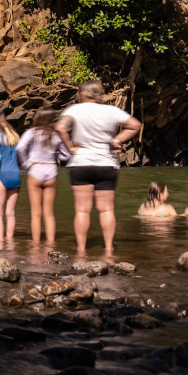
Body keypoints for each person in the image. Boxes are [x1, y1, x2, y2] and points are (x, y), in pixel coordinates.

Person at [54, 80, 141, 255]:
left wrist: (70, 147)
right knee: (107, 209)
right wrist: (116, 140)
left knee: (82, 210)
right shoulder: (111, 111)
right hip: (105, 163)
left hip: (81, 163)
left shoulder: (75, 110)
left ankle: (81, 250)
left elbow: (60, 128)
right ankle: (108, 249)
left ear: (83, 94)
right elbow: (135, 125)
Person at [17, 108, 69, 243]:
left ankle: (35, 244)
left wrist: (26, 163)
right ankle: (50, 244)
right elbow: (67, 155)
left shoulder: (31, 133)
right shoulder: (56, 135)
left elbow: (20, 148)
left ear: (38, 118)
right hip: (51, 170)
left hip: (35, 170)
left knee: (36, 213)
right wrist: (55, 155)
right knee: (49, 213)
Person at [0, 113, 21, 246]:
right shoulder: (15, 139)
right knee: (10, 213)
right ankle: (10, 242)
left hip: (2, 175)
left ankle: (0, 242)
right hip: (15, 175)